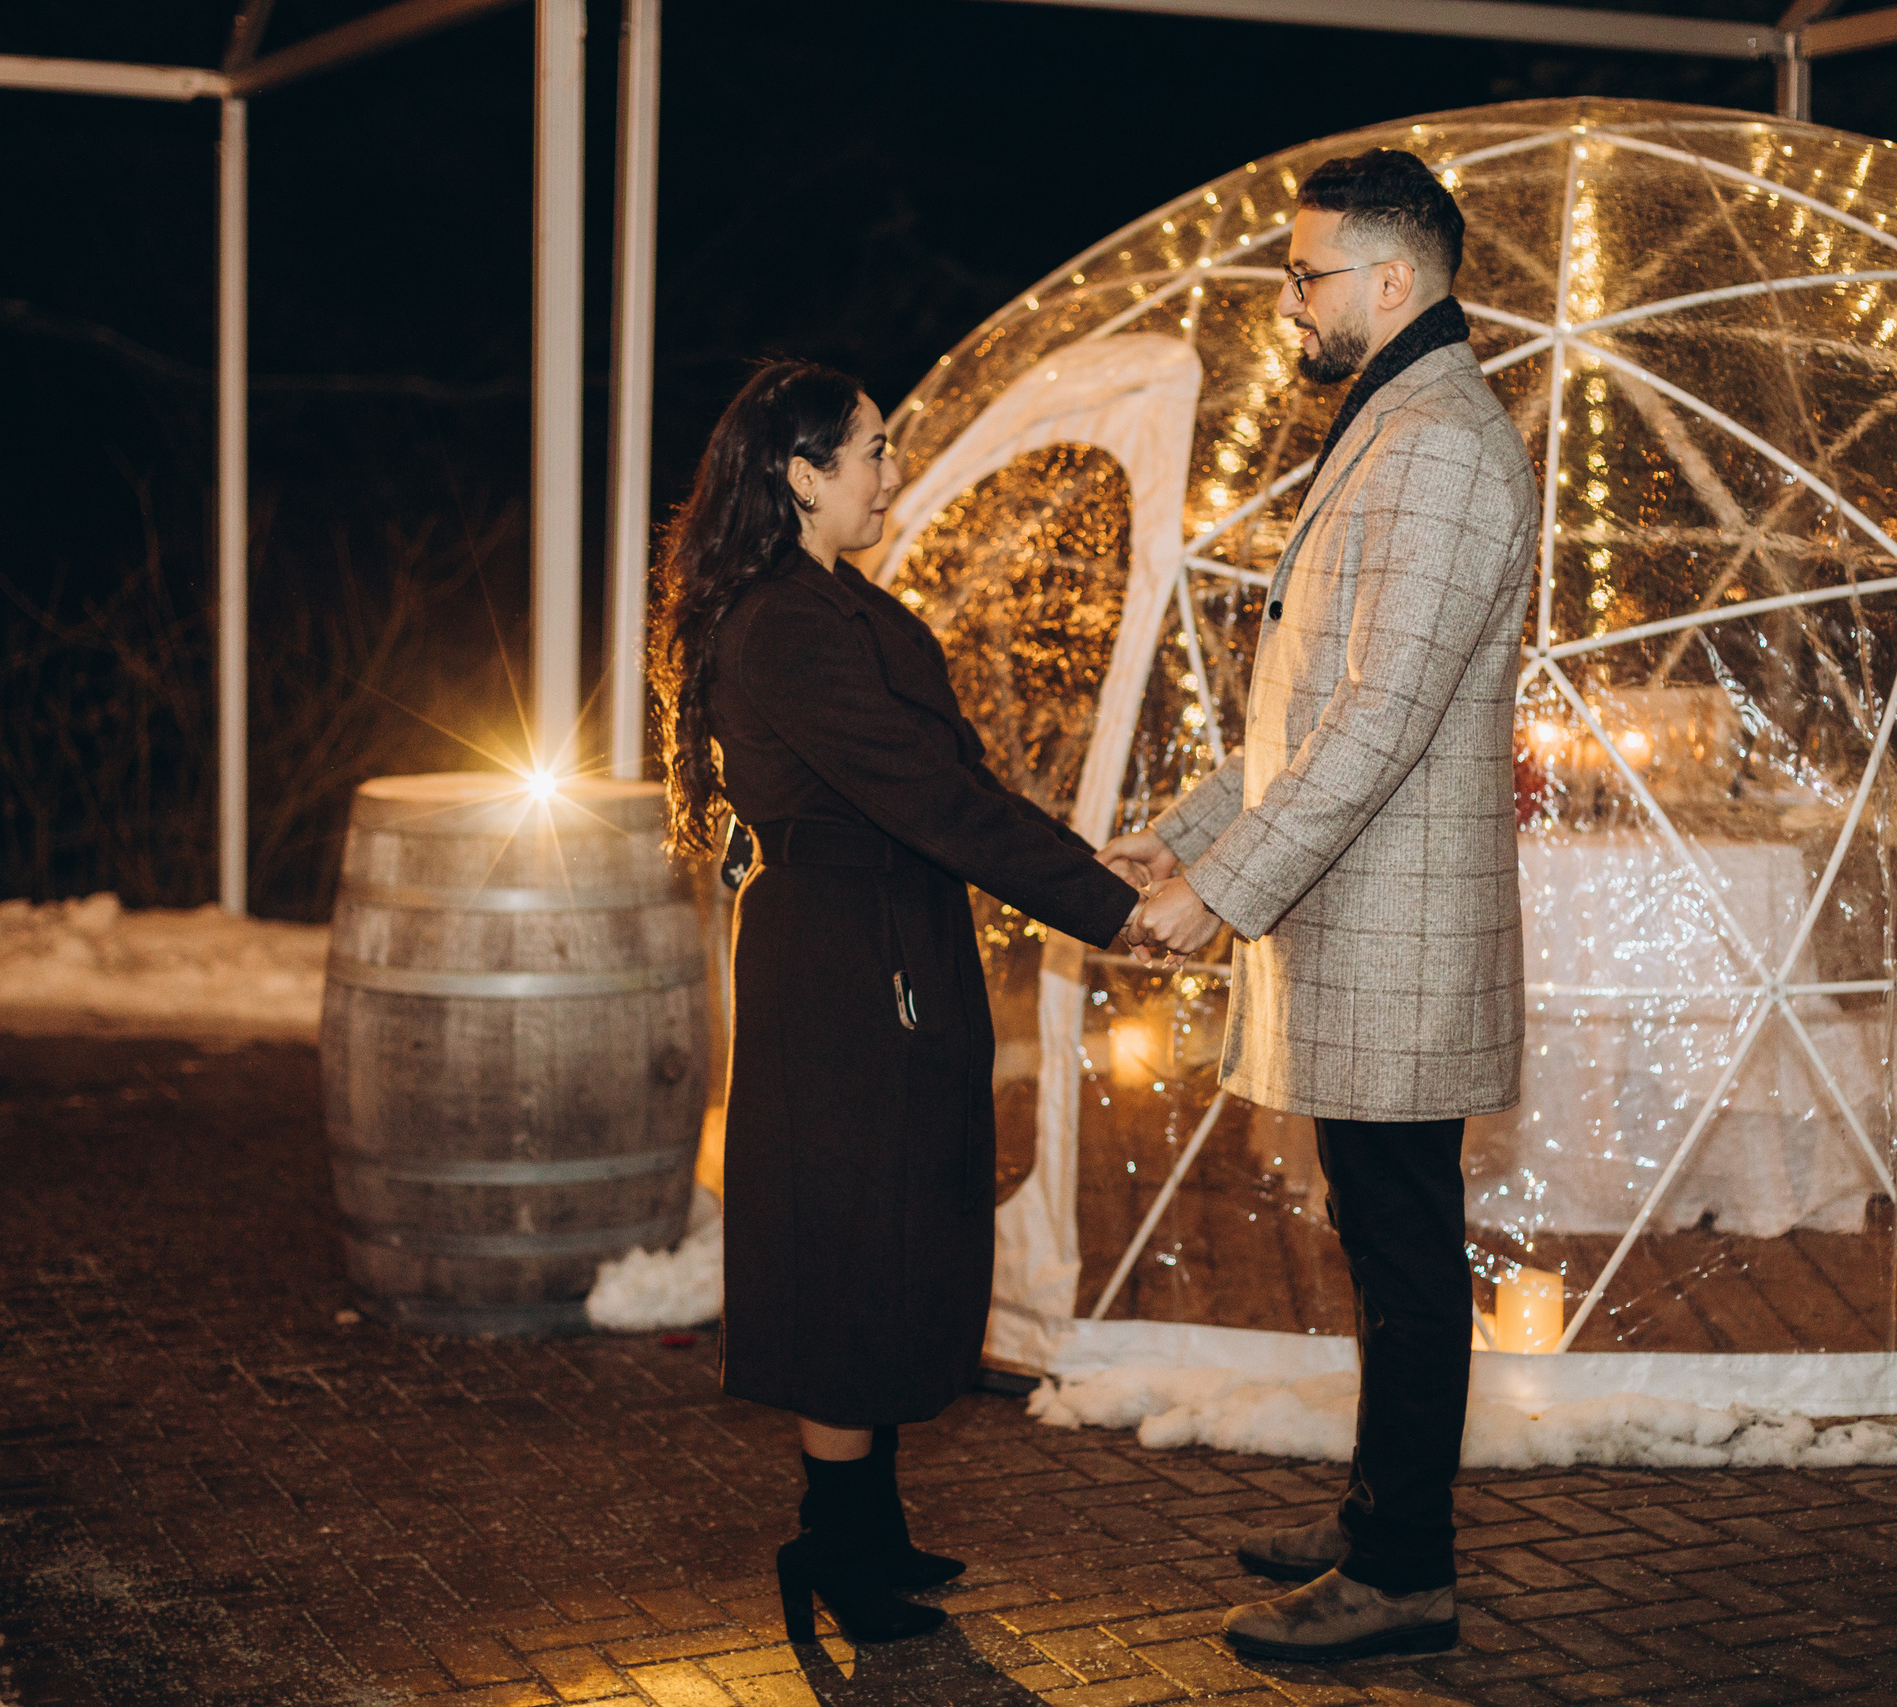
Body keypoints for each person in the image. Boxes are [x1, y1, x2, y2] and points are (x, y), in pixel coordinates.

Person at [1102, 148, 1537, 1662]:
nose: (1285, 303)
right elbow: (1314, 705)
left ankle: (1406, 1566)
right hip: (1361, 921)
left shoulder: (1438, 442)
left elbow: (1383, 715)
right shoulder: (1395, 423)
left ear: (1396, 282)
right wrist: (1185, 841)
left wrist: (1222, 892)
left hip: (1396, 933)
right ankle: (1377, 1510)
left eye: (1306, 275)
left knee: (1408, 1251)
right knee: (1383, 1233)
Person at [652, 361, 1142, 1644]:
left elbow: (943, 782)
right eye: (871, 449)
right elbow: (926, 799)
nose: (888, 469)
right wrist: (1106, 903)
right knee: (847, 1242)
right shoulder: (785, 624)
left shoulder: (820, 600)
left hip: (886, 945)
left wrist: (1097, 864)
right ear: (802, 476)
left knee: (891, 1229)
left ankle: (864, 1530)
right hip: (843, 967)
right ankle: (833, 1545)